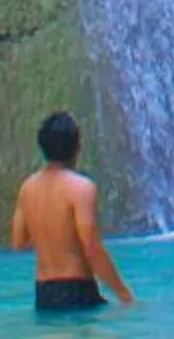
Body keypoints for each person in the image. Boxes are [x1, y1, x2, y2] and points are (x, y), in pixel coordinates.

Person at [11, 110, 136, 309]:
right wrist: (124, 293)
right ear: (76, 146)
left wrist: (54, 237)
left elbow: (18, 243)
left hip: (44, 293)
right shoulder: (82, 188)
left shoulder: (27, 188)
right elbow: (92, 249)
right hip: (77, 288)